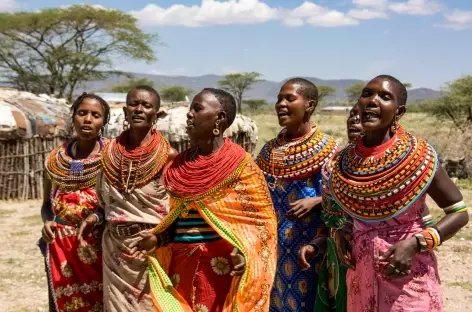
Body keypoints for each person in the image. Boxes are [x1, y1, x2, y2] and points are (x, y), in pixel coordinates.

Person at [328, 75, 469, 311]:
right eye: (366, 94)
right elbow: (356, 212)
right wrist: (343, 231)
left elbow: (459, 212)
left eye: (384, 97)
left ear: (399, 111)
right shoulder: (345, 162)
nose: (372, 101)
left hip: (408, 273)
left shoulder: (419, 156)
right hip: (361, 274)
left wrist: (415, 244)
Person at [139, 88, 277, 312]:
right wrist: (159, 239)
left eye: (197, 108)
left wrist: (244, 252)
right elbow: (177, 217)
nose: (189, 114)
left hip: (220, 270)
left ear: (219, 118)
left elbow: (261, 226)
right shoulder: (179, 165)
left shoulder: (240, 166)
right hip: (179, 267)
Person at [256, 78, 339, 312]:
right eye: (279, 99)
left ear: (309, 105)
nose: (280, 104)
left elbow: (341, 199)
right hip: (272, 249)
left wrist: (318, 200)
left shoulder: (326, 149)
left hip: (308, 250)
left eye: (289, 99)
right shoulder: (268, 151)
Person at [93, 85, 177, 311]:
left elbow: (180, 209)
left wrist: (159, 239)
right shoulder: (109, 154)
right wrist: (94, 218)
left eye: (147, 105)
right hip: (114, 248)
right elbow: (103, 203)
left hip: (149, 247)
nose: (139, 109)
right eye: (133, 104)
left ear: (156, 114)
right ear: (125, 111)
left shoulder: (168, 156)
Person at [39, 92, 110, 312]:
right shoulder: (55, 159)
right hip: (59, 247)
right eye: (82, 113)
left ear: (104, 122)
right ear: (74, 117)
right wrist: (48, 221)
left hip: (97, 247)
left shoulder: (113, 158)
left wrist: (97, 216)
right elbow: (46, 206)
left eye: (95, 115)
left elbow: (118, 206)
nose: (88, 119)